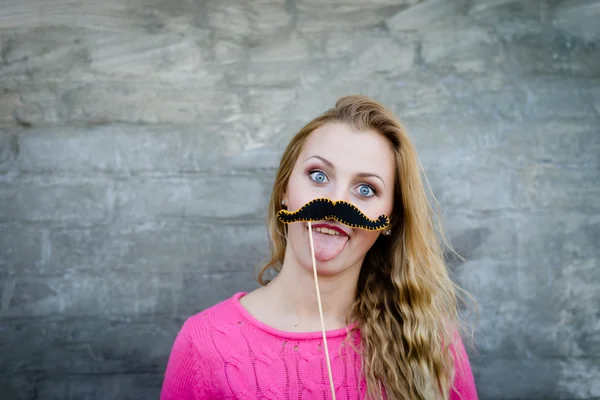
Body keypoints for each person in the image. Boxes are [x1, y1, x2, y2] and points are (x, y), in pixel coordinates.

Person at [160, 95, 478, 400]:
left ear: (389, 220)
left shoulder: (430, 342)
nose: (335, 203)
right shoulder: (202, 344)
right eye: (318, 175)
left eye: (365, 189)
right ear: (285, 189)